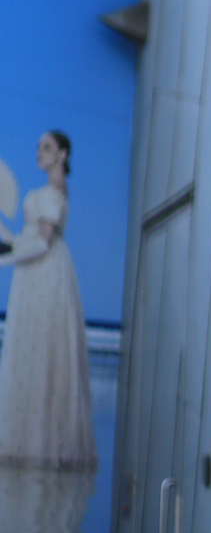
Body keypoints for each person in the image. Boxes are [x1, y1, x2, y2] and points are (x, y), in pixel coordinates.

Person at [0, 131, 97, 472]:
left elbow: (42, 242)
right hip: (39, 273)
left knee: (40, 351)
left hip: (43, 273)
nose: (39, 152)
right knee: (37, 351)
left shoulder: (52, 193)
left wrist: (8, 253)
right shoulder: (50, 192)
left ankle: (37, 443)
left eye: (47, 147)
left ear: (63, 154)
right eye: (38, 146)